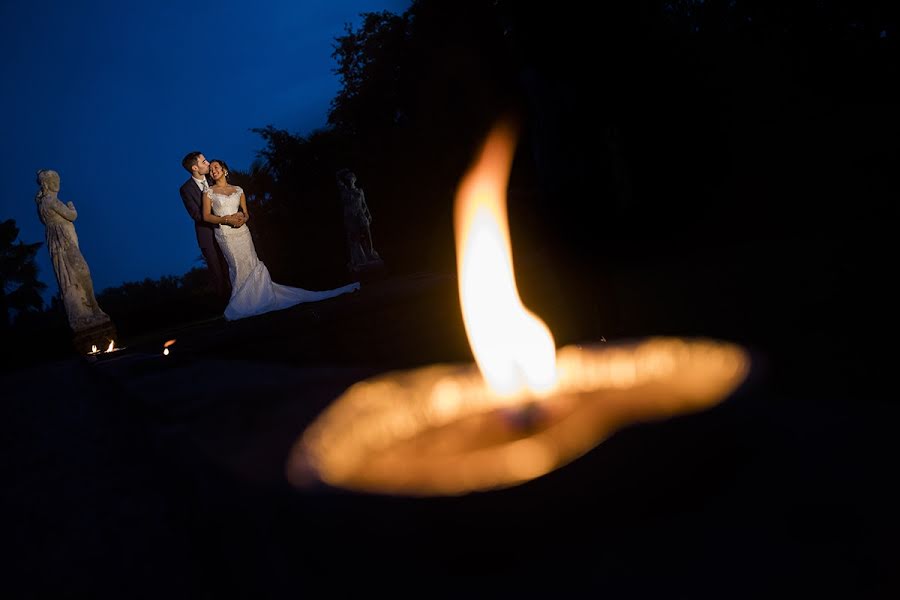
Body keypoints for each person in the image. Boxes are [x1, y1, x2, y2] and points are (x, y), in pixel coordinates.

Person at [203, 159, 360, 320]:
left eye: (216, 167)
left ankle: (259, 298)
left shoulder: (238, 190)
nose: (213, 170)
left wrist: (243, 218)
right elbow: (206, 216)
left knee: (251, 262)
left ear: (224, 170)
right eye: (211, 169)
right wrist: (227, 220)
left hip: (242, 232)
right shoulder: (209, 192)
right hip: (226, 235)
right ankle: (242, 302)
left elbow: (246, 213)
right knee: (236, 265)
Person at [34, 169, 111, 331]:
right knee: (81, 270)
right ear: (47, 183)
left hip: (58, 239)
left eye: (58, 179)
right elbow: (72, 216)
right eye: (54, 180)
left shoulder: (42, 202)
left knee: (70, 275)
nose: (58, 183)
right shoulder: (51, 201)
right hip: (63, 239)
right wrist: (72, 206)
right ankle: (91, 308)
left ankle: (87, 310)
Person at [179, 151, 231, 306]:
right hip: (207, 234)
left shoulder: (214, 177)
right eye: (204, 161)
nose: (208, 164)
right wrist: (219, 217)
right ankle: (225, 306)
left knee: (231, 265)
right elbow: (195, 214)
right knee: (217, 271)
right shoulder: (185, 189)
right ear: (195, 167)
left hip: (227, 230)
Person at [335, 168, 382, 272]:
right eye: (348, 179)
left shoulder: (359, 190)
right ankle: (360, 257)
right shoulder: (345, 190)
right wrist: (341, 172)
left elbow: (364, 203)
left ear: (354, 180)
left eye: (351, 179)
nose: (350, 180)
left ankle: (371, 252)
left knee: (366, 231)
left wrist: (368, 214)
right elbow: (337, 178)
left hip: (360, 213)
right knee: (355, 237)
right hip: (351, 216)